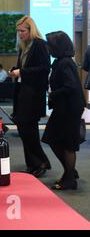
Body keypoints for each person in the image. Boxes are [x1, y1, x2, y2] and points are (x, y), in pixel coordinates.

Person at [9, 15, 51, 177]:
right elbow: (25, 67)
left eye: (22, 31)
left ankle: (41, 162)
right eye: (18, 31)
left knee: (29, 132)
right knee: (24, 131)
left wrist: (22, 72)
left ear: (30, 30)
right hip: (22, 95)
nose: (20, 34)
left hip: (33, 96)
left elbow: (44, 69)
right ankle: (33, 164)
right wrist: (16, 70)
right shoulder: (24, 46)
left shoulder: (40, 45)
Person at [42, 31, 85, 190]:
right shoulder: (62, 61)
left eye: (50, 45)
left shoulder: (64, 62)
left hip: (69, 109)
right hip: (66, 107)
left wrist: (53, 94)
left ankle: (69, 178)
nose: (47, 47)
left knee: (65, 143)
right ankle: (70, 172)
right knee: (55, 139)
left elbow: (70, 86)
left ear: (57, 46)